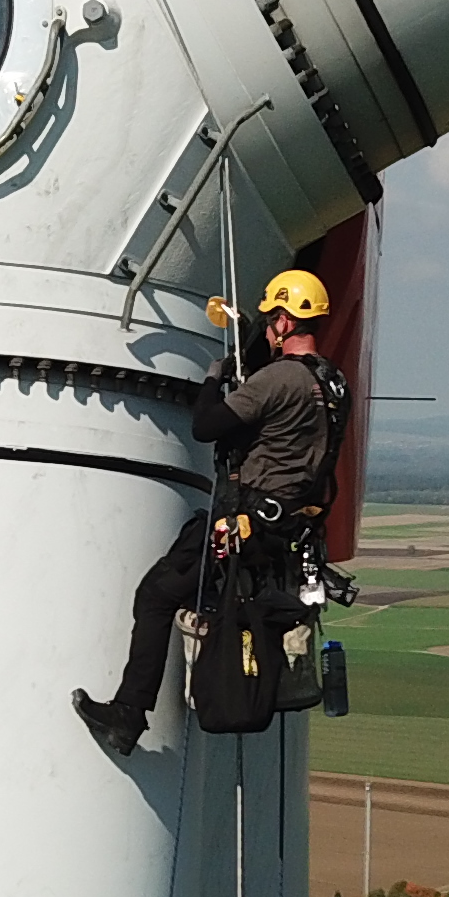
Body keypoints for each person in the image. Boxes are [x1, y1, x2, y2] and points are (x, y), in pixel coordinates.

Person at [74, 266, 342, 756]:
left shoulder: (277, 379)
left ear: (283, 320)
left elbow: (207, 425)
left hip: (247, 523)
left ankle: (128, 715)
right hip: (288, 529)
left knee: (156, 594)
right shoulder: (331, 383)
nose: (268, 327)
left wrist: (213, 379)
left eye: (271, 320)